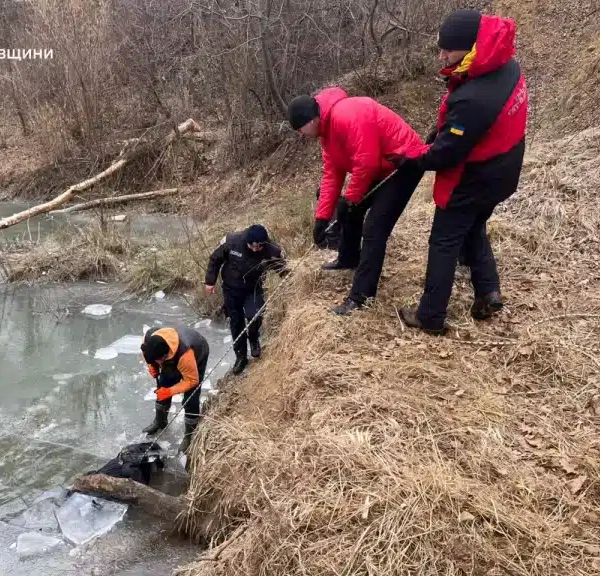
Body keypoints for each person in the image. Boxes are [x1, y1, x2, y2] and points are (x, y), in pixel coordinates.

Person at [391, 9, 528, 333]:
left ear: (469, 48)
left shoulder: (473, 98)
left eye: (447, 50)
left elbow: (447, 154)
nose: (441, 56)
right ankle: (488, 291)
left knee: (443, 241)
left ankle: (430, 316)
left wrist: (414, 160)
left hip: (477, 177)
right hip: (506, 171)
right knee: (474, 224)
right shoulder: (506, 66)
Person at [287, 87, 427, 314]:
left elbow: (367, 161)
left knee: (374, 228)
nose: (300, 135)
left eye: (299, 129)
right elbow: (332, 173)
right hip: (380, 168)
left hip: (404, 164)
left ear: (312, 120)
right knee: (351, 210)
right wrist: (322, 218)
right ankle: (348, 257)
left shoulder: (346, 115)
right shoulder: (326, 132)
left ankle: (361, 297)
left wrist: (350, 199)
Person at [204, 224, 287, 375]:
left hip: (253, 289)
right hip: (230, 289)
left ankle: (254, 339)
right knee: (236, 322)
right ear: (247, 241)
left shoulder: (271, 250)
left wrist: (289, 277)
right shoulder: (231, 241)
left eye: (259, 246)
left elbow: (282, 268)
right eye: (252, 246)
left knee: (255, 315)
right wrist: (210, 281)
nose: (255, 249)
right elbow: (215, 259)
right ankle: (241, 357)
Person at [140, 326, 209, 454]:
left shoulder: (185, 354)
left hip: (197, 352)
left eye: (159, 360)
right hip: (169, 355)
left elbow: (192, 380)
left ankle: (189, 435)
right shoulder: (149, 339)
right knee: (163, 384)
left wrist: (170, 391)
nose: (159, 363)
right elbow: (145, 353)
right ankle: (160, 421)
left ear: (166, 355)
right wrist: (152, 366)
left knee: (191, 398)